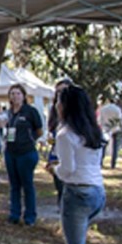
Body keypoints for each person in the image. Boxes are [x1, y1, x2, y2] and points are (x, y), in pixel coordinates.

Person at [49, 85, 105, 244]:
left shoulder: (64, 134)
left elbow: (68, 170)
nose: (56, 105)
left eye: (58, 101)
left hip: (77, 193)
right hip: (98, 191)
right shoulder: (93, 132)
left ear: (65, 106)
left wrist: (54, 169)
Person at [3, 84, 43, 226]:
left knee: (27, 184)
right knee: (14, 185)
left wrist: (29, 140)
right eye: (12, 94)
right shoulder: (8, 113)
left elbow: (39, 131)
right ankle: (14, 214)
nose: (15, 96)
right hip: (10, 152)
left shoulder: (30, 111)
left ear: (24, 96)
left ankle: (30, 216)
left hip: (26, 153)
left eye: (18, 93)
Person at [47, 78, 73, 206]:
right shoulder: (54, 110)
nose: (60, 95)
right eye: (58, 92)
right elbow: (51, 129)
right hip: (56, 152)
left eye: (63, 91)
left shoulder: (77, 115)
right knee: (59, 187)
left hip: (70, 155)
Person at [97, 97, 122, 169]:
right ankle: (113, 163)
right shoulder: (117, 109)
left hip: (105, 128)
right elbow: (119, 120)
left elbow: (99, 119)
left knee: (103, 145)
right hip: (114, 128)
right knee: (115, 146)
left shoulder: (103, 109)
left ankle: (101, 161)